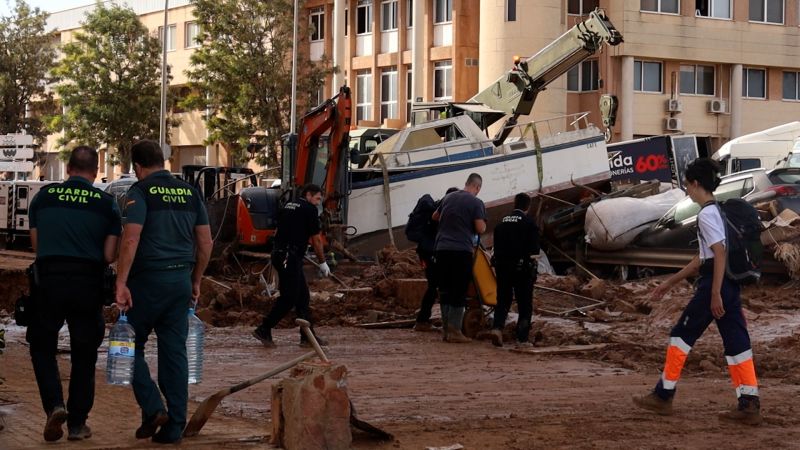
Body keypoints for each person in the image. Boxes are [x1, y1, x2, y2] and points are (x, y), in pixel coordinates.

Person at [632, 158, 762, 425]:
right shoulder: (718, 212)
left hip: (714, 285)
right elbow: (702, 257)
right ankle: (749, 402)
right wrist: (669, 283)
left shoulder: (706, 214)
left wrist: (714, 293)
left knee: (681, 336)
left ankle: (663, 395)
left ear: (696, 184)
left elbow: (718, 253)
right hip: (729, 284)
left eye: (688, 186)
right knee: (737, 341)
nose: (687, 191)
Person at [115, 139, 213, 444]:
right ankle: (174, 427)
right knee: (174, 352)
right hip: (180, 282)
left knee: (129, 347)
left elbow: (131, 240)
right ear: (164, 161)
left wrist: (121, 282)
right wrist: (196, 279)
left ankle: (153, 406)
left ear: (137, 167)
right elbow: (206, 242)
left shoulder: (140, 191)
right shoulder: (190, 192)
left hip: (147, 282)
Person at [26, 146, 121, 442]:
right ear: (95, 172)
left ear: (68, 169)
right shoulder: (107, 204)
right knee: (84, 352)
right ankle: (78, 424)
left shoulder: (43, 197)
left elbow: (36, 247)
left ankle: (54, 405)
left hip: (49, 281)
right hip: (87, 283)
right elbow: (108, 254)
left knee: (41, 346)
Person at [252, 184, 331, 347]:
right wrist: (322, 262)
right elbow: (316, 240)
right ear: (308, 195)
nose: (318, 203)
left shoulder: (289, 205)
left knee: (303, 296)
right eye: (317, 198)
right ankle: (264, 328)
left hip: (281, 254)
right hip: (289, 257)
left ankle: (307, 336)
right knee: (289, 298)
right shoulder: (309, 210)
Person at [432, 173, 487, 343]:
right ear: (477, 187)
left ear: (466, 183)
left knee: (445, 289)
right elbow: (480, 228)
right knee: (459, 289)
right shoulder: (476, 202)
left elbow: (435, 217)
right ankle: (455, 330)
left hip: (441, 248)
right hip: (460, 250)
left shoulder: (449, 197)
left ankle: (446, 329)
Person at [488, 193, 539, 348]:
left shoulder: (501, 224)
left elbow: (495, 248)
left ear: (514, 204)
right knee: (524, 303)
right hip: (522, 269)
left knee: (503, 300)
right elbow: (535, 250)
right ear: (527, 207)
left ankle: (497, 328)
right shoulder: (529, 223)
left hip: (503, 269)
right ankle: (522, 339)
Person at [413, 187, 459, 332]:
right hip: (429, 253)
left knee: (435, 285)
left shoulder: (438, 207)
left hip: (426, 252)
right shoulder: (440, 211)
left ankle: (424, 319)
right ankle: (422, 321)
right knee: (434, 285)